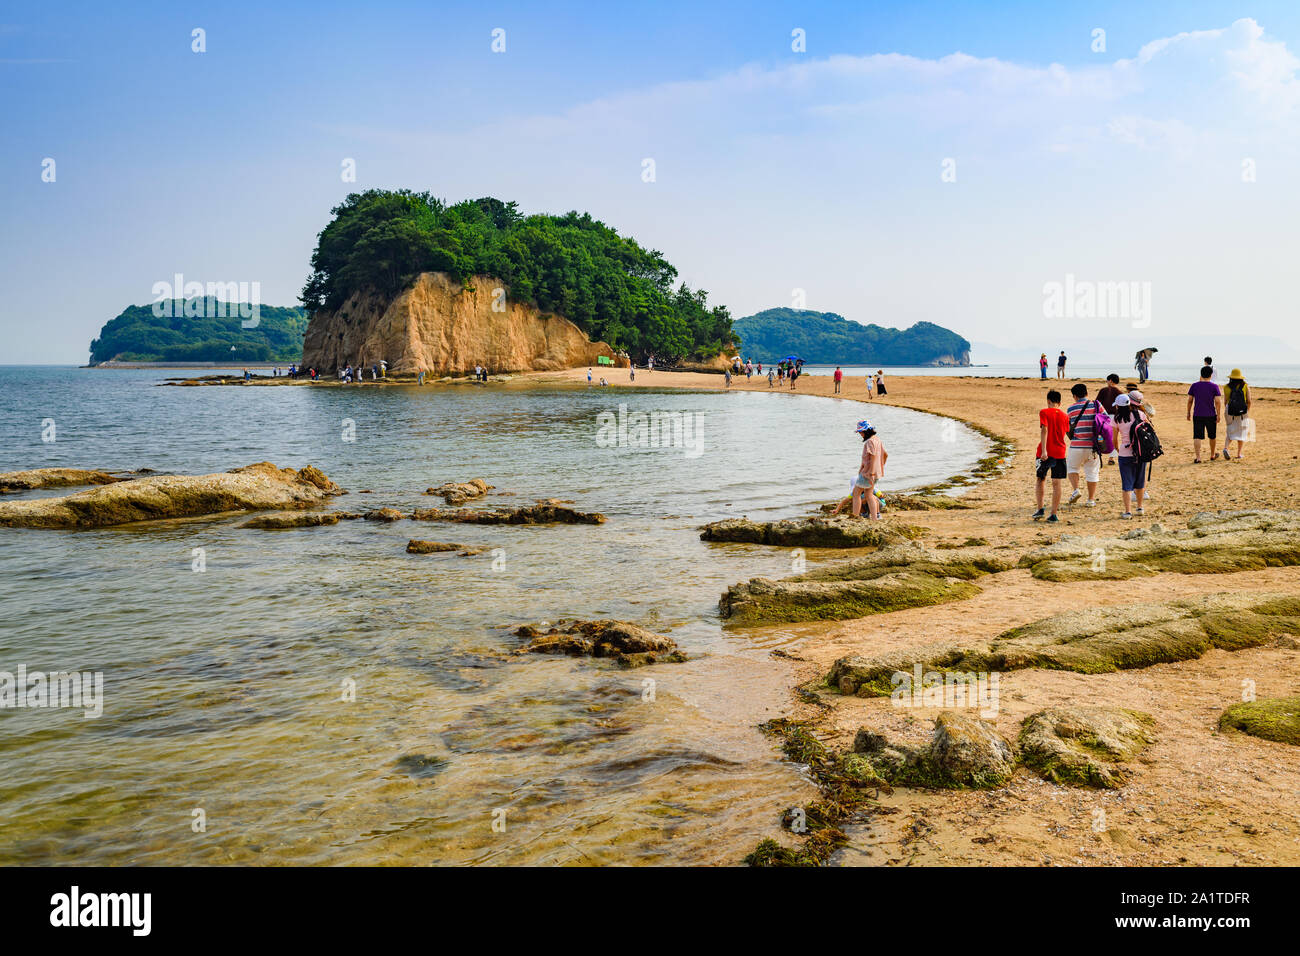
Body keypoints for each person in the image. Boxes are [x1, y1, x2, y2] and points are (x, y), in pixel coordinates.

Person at [1033, 389, 1068, 522]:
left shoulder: (1044, 412)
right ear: (1059, 402)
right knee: (1056, 483)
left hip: (1045, 452)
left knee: (1041, 479)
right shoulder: (1065, 416)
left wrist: (1043, 451)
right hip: (1060, 452)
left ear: (1048, 401)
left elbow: (1044, 429)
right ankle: (1053, 513)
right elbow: (1065, 432)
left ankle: (1040, 509)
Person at [1065, 383, 1101, 507]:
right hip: (1093, 446)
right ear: (1086, 393)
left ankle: (1076, 490)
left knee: (1072, 468)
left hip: (1076, 445)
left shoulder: (1071, 409)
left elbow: (1067, 427)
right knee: (1092, 472)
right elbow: (1106, 421)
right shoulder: (1097, 405)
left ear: (1074, 396)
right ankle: (1090, 500)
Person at [1112, 394, 1147, 518]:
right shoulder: (1139, 414)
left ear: (1118, 406)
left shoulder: (1117, 418)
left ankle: (1128, 511)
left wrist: (1117, 448)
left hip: (1125, 454)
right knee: (1140, 481)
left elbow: (1114, 439)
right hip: (1140, 452)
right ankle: (1140, 508)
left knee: (1127, 484)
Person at [851, 420, 888, 519]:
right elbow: (885, 455)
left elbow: (873, 457)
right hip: (876, 473)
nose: (860, 434)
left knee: (856, 493)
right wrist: (879, 468)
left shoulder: (870, 442)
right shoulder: (877, 440)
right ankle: (875, 519)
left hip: (868, 473)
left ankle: (855, 516)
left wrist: (871, 472)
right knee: (869, 494)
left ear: (865, 431)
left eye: (861, 432)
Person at [1187, 365, 1223, 462]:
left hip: (1197, 414)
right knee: (1212, 435)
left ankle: (1198, 458)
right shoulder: (1214, 386)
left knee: (1197, 436)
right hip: (1210, 414)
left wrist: (1188, 412)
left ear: (1201, 374)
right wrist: (1218, 415)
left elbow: (1190, 400)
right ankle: (1212, 455)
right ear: (1211, 375)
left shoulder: (1194, 386)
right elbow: (1217, 402)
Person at [1223, 368, 1252, 460]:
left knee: (1230, 430)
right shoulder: (1245, 386)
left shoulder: (1226, 387)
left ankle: (1226, 448)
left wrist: (1228, 410)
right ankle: (1239, 454)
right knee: (1242, 431)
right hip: (1242, 411)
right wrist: (1247, 410)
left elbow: (1225, 401)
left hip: (1230, 410)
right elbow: (1249, 401)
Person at [1096, 373, 1123, 465]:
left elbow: (1097, 403)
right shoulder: (1119, 392)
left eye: (1107, 380)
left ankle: (1098, 454)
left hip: (1104, 417)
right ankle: (1111, 458)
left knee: (1100, 435)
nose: (1107, 382)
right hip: (1115, 417)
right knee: (1114, 437)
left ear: (1110, 380)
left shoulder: (1103, 390)